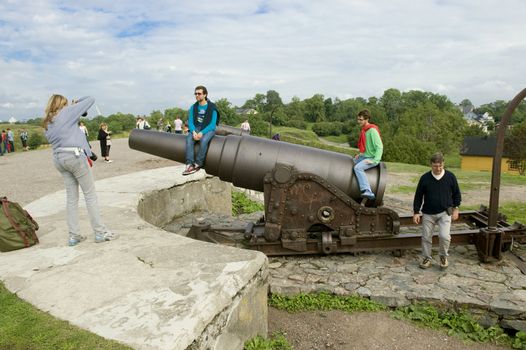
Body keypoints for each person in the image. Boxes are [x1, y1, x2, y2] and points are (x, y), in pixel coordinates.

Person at [43, 94, 115, 246]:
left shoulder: (48, 122)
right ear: (62, 104)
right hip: (74, 156)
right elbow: (91, 99)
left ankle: (74, 235)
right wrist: (77, 103)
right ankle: (100, 233)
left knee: (71, 198)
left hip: (59, 158)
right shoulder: (67, 112)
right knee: (90, 195)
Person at [413, 152, 461, 270]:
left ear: (443, 164)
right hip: (428, 213)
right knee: (426, 237)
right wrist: (416, 212)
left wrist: (456, 209)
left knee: (444, 236)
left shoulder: (450, 177)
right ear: (431, 165)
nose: (438, 168)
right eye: (435, 166)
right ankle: (426, 258)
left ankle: (443, 257)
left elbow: (457, 194)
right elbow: (418, 196)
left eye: (440, 166)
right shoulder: (424, 178)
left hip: (445, 212)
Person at [182, 85, 218, 175]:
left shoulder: (212, 107)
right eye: (195, 93)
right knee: (189, 140)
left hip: (208, 128)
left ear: (205, 94)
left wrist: (202, 132)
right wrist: (193, 131)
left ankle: (198, 163)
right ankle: (189, 163)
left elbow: (213, 124)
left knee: (204, 140)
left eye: (199, 93)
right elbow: (190, 122)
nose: (197, 95)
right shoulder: (193, 107)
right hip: (196, 128)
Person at [354, 109, 383, 200]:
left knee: (358, 168)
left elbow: (380, 147)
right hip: (365, 155)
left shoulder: (372, 131)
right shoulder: (364, 130)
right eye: (358, 119)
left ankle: (368, 190)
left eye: (361, 120)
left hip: (372, 158)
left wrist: (375, 160)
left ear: (367, 120)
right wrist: (361, 154)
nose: (358, 121)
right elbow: (367, 146)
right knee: (352, 161)